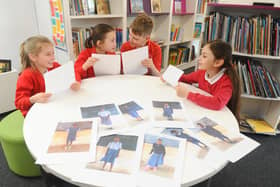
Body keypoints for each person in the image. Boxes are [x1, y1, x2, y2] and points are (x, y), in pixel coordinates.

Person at [175, 40, 241, 121]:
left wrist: (187, 94)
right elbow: (185, 78)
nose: (199, 59)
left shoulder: (226, 81)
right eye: (201, 55)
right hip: (203, 113)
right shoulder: (202, 73)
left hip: (218, 118)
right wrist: (169, 75)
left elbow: (217, 103)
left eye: (204, 56)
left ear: (217, 62)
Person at [15, 35, 79, 117]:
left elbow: (73, 73)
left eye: (53, 53)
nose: (53, 57)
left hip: (53, 106)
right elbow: (19, 102)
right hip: (36, 113)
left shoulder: (54, 66)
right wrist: (32, 99)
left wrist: (75, 81)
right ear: (33, 57)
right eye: (48, 54)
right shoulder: (26, 76)